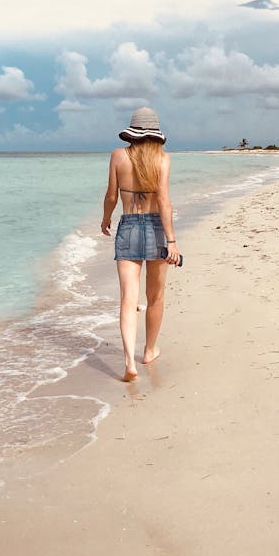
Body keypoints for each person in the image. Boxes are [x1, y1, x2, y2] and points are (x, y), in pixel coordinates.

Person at [100, 107, 180, 382]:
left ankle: (127, 362)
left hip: (129, 226)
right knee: (155, 296)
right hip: (157, 228)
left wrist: (105, 219)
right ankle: (148, 351)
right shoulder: (163, 159)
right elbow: (165, 202)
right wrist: (172, 241)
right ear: (156, 134)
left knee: (128, 298)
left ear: (132, 133)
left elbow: (111, 195)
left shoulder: (118, 156)